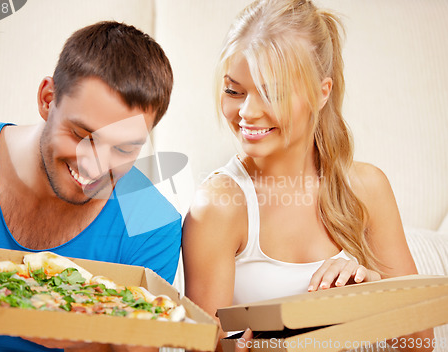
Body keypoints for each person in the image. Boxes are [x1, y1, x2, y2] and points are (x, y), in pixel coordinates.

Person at [182, 0, 433, 351]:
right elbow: (202, 346)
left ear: (321, 93)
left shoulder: (368, 189)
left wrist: (372, 294)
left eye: (272, 92)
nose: (247, 112)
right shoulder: (219, 206)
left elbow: (420, 343)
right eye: (233, 91)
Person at [0, 21, 181, 351]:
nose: (95, 165)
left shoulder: (153, 225)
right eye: (82, 135)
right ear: (47, 98)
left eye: (125, 148)